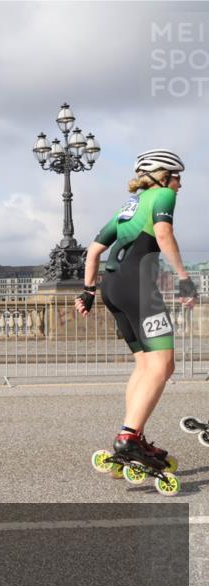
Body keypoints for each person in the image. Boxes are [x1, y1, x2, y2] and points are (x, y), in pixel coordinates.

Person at [75, 149, 197, 468]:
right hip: (138, 286)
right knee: (163, 366)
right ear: (162, 176)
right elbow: (163, 233)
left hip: (111, 287)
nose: (180, 185)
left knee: (144, 365)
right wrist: (184, 278)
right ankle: (129, 437)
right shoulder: (161, 197)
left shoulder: (127, 207)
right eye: (176, 178)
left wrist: (88, 291)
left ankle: (132, 436)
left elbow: (94, 251)